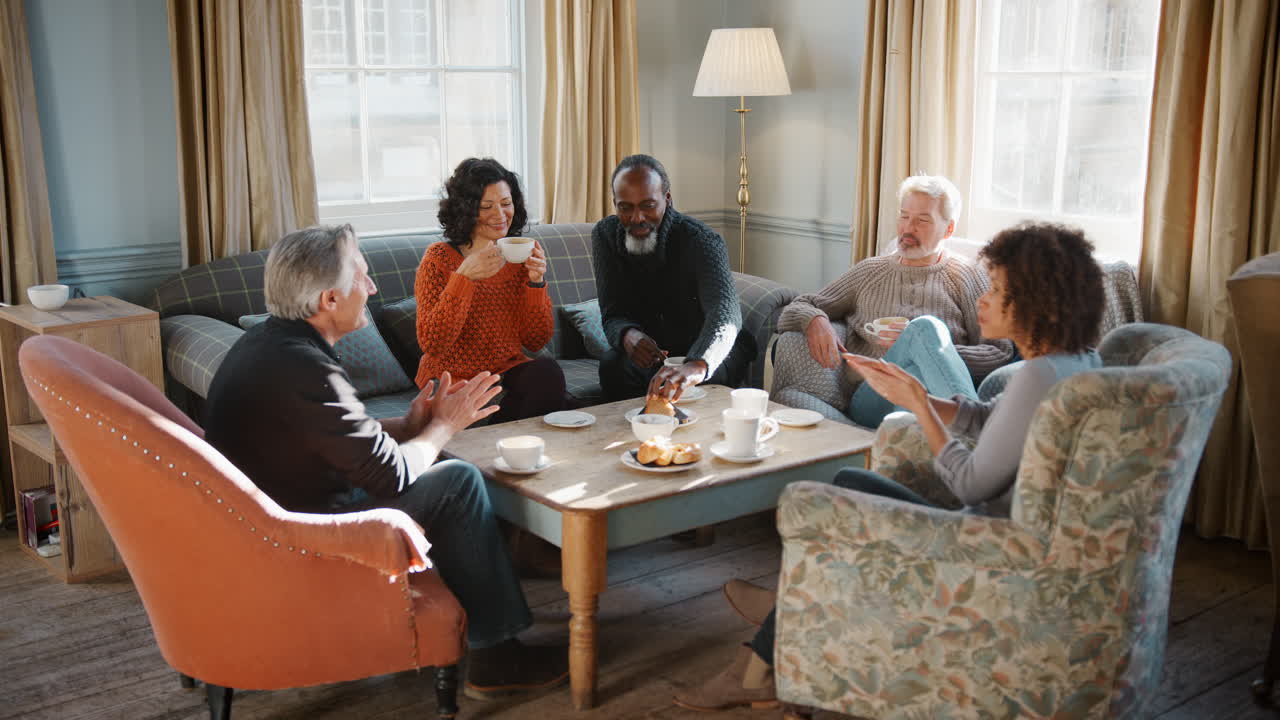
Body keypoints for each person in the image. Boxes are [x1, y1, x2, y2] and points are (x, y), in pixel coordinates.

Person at [674, 221, 1105, 712]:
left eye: (1000, 291)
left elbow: (971, 485)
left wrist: (919, 408)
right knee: (850, 481)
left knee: (822, 503)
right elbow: (990, 420)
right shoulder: (1075, 362)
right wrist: (914, 393)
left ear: (1037, 302)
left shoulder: (1036, 375)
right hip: (999, 532)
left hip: (982, 544)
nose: (985, 298)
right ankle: (783, 611)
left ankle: (757, 663)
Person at [203, 224, 568, 701]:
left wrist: (410, 423)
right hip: (302, 529)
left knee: (447, 469)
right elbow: (391, 475)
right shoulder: (305, 368)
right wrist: (445, 427)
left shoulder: (273, 347)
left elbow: (331, 439)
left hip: (282, 506)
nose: (372, 289)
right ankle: (498, 655)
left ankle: (481, 611)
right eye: (363, 276)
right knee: (457, 479)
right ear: (329, 299)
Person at [772, 174, 1015, 427]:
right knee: (924, 330)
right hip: (872, 399)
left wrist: (927, 351)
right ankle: (973, 430)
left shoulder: (967, 276)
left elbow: (1000, 352)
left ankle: (878, 443)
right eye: (904, 216)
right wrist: (815, 320)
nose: (909, 228)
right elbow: (797, 306)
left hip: (930, 397)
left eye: (922, 220)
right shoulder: (870, 272)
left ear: (949, 229)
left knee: (924, 332)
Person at [593, 154, 757, 402]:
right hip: (657, 352)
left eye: (648, 205)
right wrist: (628, 335)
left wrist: (697, 364)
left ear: (667, 199)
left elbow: (725, 313)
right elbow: (612, 312)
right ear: (615, 203)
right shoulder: (605, 235)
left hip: (708, 347)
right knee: (612, 367)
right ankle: (640, 436)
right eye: (625, 207)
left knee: (694, 385)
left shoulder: (701, 240)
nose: (637, 218)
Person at [415, 157, 567, 423]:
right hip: (452, 377)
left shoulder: (519, 257)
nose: (500, 215)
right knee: (558, 405)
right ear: (467, 210)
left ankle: (507, 435)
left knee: (547, 372)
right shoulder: (438, 259)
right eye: (487, 207)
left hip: (505, 372)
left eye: (506, 204)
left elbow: (536, 340)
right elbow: (433, 343)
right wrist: (463, 278)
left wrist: (536, 282)